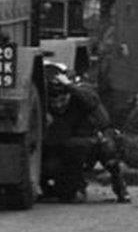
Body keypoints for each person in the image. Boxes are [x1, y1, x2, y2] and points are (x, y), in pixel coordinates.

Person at [42, 63, 129, 203]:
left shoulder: (83, 95)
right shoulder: (44, 105)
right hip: (67, 148)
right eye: (54, 101)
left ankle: (120, 187)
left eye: (62, 100)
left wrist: (69, 86)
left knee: (108, 148)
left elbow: (91, 100)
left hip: (93, 142)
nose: (58, 105)